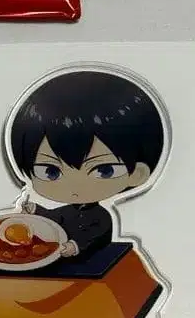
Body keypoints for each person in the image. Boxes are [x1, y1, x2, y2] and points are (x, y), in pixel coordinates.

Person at [9, 69, 165, 260]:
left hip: (92, 264)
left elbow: (94, 238)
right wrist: (35, 210)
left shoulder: (102, 217)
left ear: (136, 174)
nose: (75, 186)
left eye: (104, 170)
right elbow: (55, 218)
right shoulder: (70, 210)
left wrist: (74, 246)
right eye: (51, 171)